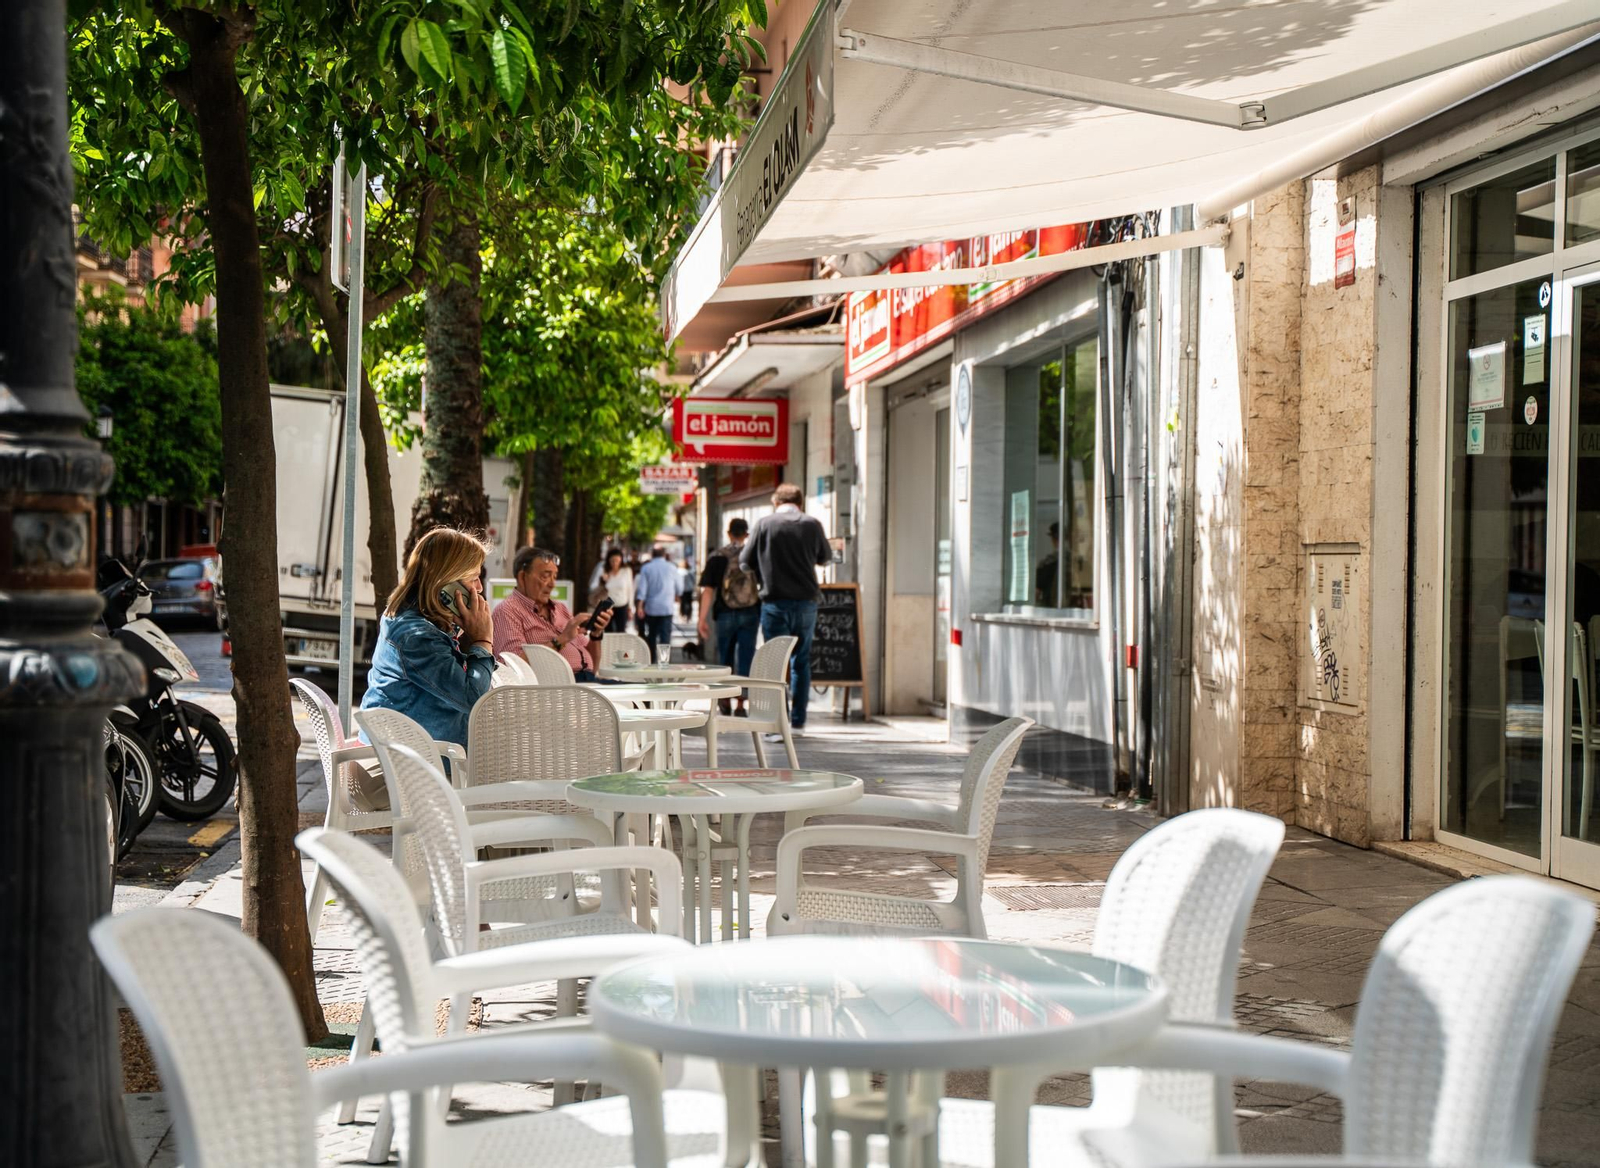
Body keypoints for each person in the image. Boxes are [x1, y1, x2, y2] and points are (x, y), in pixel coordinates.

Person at [359, 527, 495, 748]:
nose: (479, 588)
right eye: (475, 578)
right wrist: (483, 640)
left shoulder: (416, 621)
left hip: (413, 754)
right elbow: (474, 699)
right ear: (448, 584)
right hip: (408, 766)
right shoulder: (417, 637)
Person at [741, 484, 831, 735]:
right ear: (800, 502)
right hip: (806, 602)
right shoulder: (812, 524)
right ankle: (799, 722)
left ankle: (777, 723)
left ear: (775, 501)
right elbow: (825, 557)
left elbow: (744, 563)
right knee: (801, 661)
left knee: (775, 663)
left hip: (775, 602)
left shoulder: (764, 524)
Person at [491, 546, 614, 681]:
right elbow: (513, 667)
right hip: (554, 691)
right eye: (545, 576)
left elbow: (593, 668)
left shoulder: (560, 608)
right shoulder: (507, 611)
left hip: (587, 684)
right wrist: (562, 639)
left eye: (554, 576)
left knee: (638, 691)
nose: (552, 584)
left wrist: (596, 635)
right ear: (522, 577)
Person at [698, 518, 759, 713]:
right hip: (750, 612)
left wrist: (702, 619)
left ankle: (725, 700)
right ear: (746, 535)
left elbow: (708, 591)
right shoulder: (754, 556)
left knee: (725, 658)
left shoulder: (717, 557)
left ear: (729, 533)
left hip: (724, 614)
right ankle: (742, 702)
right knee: (746, 658)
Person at [633, 546, 681, 659]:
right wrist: (677, 595)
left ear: (652, 555)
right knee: (665, 636)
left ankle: (652, 659)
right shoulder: (672, 567)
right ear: (664, 555)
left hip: (651, 608)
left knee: (652, 635)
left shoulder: (646, 568)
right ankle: (664, 661)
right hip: (666, 607)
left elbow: (642, 590)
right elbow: (679, 587)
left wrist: (640, 606)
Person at [590, 547, 634, 612]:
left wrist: (630, 607)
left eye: (617, 561)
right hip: (606, 605)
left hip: (622, 605)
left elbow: (630, 589)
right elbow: (592, 587)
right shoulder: (603, 569)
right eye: (612, 561)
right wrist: (602, 582)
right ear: (608, 560)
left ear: (621, 560)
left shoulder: (627, 571)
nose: (615, 563)